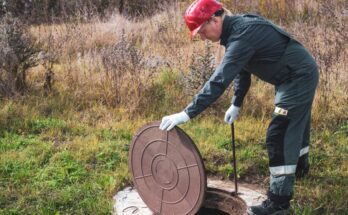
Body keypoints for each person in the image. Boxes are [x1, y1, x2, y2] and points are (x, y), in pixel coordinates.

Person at [159, 0, 319, 214]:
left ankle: (278, 203)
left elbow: (219, 80)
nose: (202, 37)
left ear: (214, 20)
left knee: (279, 133)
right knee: (296, 125)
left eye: (202, 31)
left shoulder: (242, 35)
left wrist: (186, 114)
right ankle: (299, 169)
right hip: (293, 75)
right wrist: (236, 103)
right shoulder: (237, 31)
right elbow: (243, 69)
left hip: (297, 78)